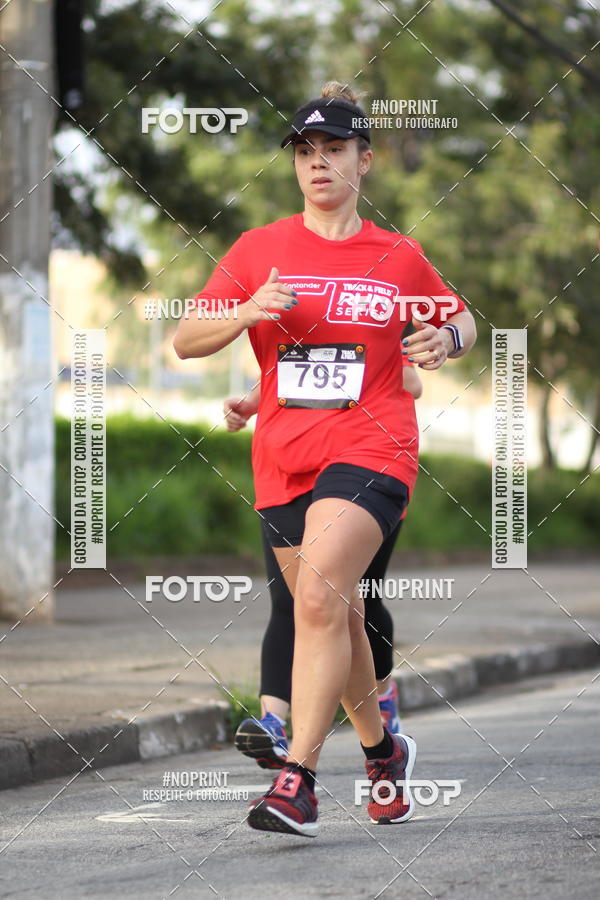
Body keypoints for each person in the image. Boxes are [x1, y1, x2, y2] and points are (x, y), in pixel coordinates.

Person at [174, 81, 476, 837]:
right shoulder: (258, 249)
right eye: (305, 152)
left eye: (334, 150)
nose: (318, 163)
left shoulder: (397, 256)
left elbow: (462, 317)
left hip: (375, 447)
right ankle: (382, 754)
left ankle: (297, 780)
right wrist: (245, 312)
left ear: (363, 161)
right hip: (283, 456)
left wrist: (448, 340)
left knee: (316, 600)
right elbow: (185, 339)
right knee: (329, 612)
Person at [223, 362, 423, 770]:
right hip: (295, 473)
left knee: (359, 597)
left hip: (366, 472)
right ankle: (273, 723)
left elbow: (412, 381)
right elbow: (291, 373)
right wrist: (250, 403)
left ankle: (381, 697)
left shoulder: (372, 309)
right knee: (291, 599)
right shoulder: (295, 310)